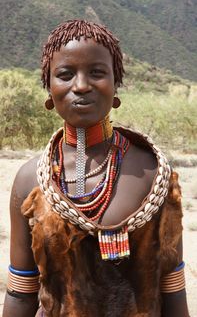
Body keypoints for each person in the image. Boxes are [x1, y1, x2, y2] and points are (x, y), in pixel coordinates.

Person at [3, 20, 190, 317]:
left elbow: (172, 286)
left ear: (115, 85)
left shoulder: (153, 172)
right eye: (65, 75)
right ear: (49, 89)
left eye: (97, 73)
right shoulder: (31, 179)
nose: (81, 85)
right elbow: (21, 293)